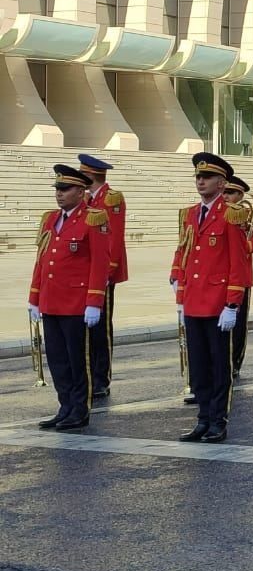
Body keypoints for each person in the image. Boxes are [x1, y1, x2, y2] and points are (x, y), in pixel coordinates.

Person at [171, 153, 251, 444]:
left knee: (220, 366)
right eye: (197, 177)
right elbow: (183, 251)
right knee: (200, 365)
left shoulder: (232, 214)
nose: (200, 181)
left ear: (221, 183)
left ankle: (218, 420)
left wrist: (232, 303)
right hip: (194, 300)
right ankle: (203, 419)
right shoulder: (189, 215)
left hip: (218, 304)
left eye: (206, 177)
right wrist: (179, 291)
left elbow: (238, 263)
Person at [28, 164, 110, 431]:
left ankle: (79, 409)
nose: (59, 194)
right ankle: (65, 407)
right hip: (52, 301)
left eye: (65, 189)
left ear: (81, 190)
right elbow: (42, 261)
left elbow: (99, 263)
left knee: (78, 360)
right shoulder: (50, 219)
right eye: (57, 189)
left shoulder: (93, 219)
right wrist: (34, 296)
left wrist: (94, 301)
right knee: (58, 359)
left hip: (76, 303)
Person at [79, 154, 125, 400]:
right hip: (85, 273)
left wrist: (108, 270)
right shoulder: (85, 199)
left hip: (103, 273)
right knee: (85, 329)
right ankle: (89, 375)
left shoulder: (111, 198)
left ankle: (101, 378)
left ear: (90, 176)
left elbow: (114, 237)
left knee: (101, 329)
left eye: (81, 174)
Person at [222, 175, 253, 381]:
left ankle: (235, 362)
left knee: (238, 325)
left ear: (241, 195)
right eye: (224, 192)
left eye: (231, 193)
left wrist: (245, 247)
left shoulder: (249, 215)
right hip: (218, 276)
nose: (226, 196)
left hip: (241, 278)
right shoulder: (218, 213)